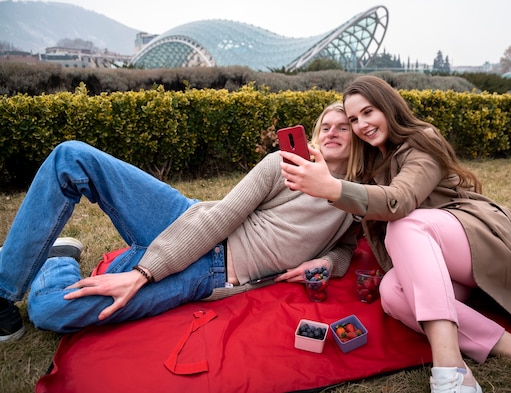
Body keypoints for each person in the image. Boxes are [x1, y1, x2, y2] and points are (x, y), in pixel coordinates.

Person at [279, 76, 511, 393]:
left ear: (388, 107)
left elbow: (399, 201)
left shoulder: (423, 139)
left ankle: (450, 369)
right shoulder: (372, 161)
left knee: (405, 224)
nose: (362, 124)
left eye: (368, 112)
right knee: (391, 291)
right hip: (437, 262)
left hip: (475, 237)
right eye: (354, 119)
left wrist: (333, 189)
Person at [0, 101, 357, 340]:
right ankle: (3, 289)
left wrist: (327, 261)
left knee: (49, 310)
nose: (331, 132)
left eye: (343, 127)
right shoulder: (285, 165)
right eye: (325, 126)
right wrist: (142, 273)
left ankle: (57, 261)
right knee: (72, 156)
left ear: (358, 139)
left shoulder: (356, 200)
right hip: (194, 221)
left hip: (209, 270)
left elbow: (346, 247)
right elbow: (222, 216)